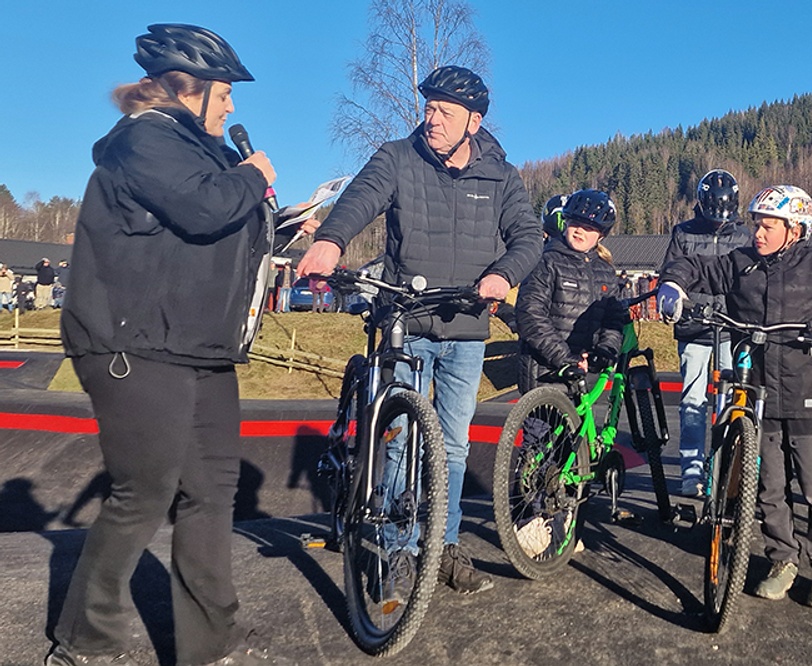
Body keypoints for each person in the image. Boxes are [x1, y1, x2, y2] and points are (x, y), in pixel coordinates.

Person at [49, 23, 315, 666]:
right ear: (184, 89)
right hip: (133, 344)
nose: (231, 107)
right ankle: (84, 641)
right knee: (144, 491)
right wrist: (253, 178)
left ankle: (208, 644)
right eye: (224, 94)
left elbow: (208, 231)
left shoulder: (199, 154)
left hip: (200, 347)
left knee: (211, 492)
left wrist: (277, 222)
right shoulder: (144, 139)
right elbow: (201, 209)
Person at [296, 65, 541, 595]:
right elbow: (358, 200)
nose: (431, 118)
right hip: (405, 322)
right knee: (398, 438)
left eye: (444, 112)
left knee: (452, 446)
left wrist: (503, 274)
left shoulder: (501, 177)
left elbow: (528, 237)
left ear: (473, 122)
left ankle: (444, 546)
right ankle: (394, 549)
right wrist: (332, 241)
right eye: (428, 108)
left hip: (466, 328)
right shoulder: (396, 158)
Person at [657, 185, 812, 611]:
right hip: (759, 393)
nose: (757, 233)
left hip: (808, 392)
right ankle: (782, 560)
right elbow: (693, 266)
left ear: (794, 229)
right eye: (757, 224)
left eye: (767, 226)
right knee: (770, 487)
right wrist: (672, 283)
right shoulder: (742, 264)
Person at [659, 169, 752, 496]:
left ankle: (725, 469)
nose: (717, 222)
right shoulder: (683, 233)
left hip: (732, 327)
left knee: (730, 400)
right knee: (693, 401)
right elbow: (671, 270)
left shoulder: (745, 235)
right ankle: (692, 472)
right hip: (694, 327)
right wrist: (671, 294)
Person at [515, 189, 628, 394]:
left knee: (580, 425)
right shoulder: (546, 261)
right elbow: (529, 314)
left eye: (589, 227)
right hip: (545, 371)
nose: (579, 231)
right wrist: (564, 358)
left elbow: (613, 320)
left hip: (584, 372)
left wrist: (605, 351)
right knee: (543, 426)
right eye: (575, 223)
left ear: (601, 234)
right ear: (565, 223)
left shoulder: (605, 271)